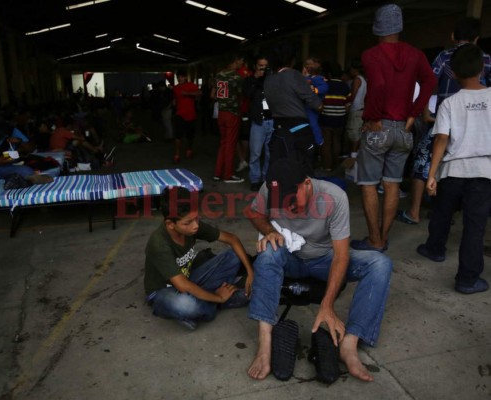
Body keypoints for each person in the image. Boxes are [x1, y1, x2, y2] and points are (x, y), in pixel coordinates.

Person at [246, 157, 393, 382]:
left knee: (380, 263)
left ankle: (350, 344)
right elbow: (254, 213)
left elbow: (342, 255)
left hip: (325, 258)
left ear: (306, 183)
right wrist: (269, 230)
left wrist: (327, 305)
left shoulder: (334, 197)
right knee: (267, 251)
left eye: (293, 203)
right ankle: (265, 343)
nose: (289, 210)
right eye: (283, 206)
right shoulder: (271, 188)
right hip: (290, 257)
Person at [350, 4, 436, 252]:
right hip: (404, 130)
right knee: (392, 184)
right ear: (399, 27)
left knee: (368, 184)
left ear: (377, 28)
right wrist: (413, 112)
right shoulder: (415, 55)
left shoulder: (371, 55)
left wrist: (374, 116)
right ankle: (383, 238)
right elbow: (430, 80)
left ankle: (374, 240)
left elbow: (377, 84)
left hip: (380, 126)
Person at [397, 16, 491, 225]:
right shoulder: (485, 59)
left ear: (452, 36)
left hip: (443, 121)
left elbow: (428, 83)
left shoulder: (444, 56)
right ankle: (455, 212)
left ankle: (414, 212)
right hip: (476, 128)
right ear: (477, 37)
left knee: (423, 162)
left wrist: (424, 112)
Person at [416, 44, 491, 294]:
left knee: (442, 213)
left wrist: (431, 175)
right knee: (475, 226)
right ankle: (467, 279)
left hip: (452, 171)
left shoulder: (449, 103)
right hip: (483, 172)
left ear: (453, 74)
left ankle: (435, 249)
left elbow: (441, 140)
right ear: (482, 68)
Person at [144, 186, 254, 330]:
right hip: (162, 292)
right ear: (170, 224)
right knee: (186, 305)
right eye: (188, 222)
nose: (195, 226)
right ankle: (217, 302)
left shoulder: (191, 225)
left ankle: (199, 307)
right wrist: (219, 298)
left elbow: (231, 239)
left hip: (188, 280)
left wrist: (250, 272)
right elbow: (182, 286)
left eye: (196, 218)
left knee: (233, 256)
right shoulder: (158, 243)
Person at [0, 111, 53, 219]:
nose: (1, 134)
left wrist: (19, 141)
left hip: (12, 166)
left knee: (27, 172)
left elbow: (31, 148)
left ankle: (31, 200)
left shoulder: (11, 130)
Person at [263, 41, 323, 175]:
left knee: (281, 172)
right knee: (303, 172)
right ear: (292, 59)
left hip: (278, 130)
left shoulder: (268, 80)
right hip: (299, 131)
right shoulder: (294, 75)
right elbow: (317, 105)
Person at [212, 54, 245, 183]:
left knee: (223, 143)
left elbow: (213, 94)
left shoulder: (219, 75)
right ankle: (228, 175)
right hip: (232, 113)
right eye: (240, 61)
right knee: (230, 145)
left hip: (221, 113)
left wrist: (223, 101)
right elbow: (241, 94)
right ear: (235, 61)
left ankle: (217, 173)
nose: (241, 63)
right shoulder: (236, 76)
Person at [243, 55, 274, 192]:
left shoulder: (272, 79)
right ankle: (255, 179)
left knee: (270, 153)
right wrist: (256, 78)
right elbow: (247, 94)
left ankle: (266, 178)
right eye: (260, 65)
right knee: (255, 153)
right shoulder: (249, 80)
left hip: (272, 120)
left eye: (264, 65)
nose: (262, 68)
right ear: (256, 66)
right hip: (258, 121)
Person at [318, 62, 351, 172]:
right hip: (340, 118)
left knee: (326, 143)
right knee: (336, 141)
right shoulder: (345, 86)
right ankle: (335, 165)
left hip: (326, 118)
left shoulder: (325, 85)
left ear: (329, 74)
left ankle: (327, 167)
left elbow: (319, 103)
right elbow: (348, 104)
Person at [172, 70, 201, 163]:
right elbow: (175, 98)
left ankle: (189, 149)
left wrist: (188, 94)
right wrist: (174, 102)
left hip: (191, 115)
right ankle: (177, 154)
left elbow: (200, 93)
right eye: (178, 77)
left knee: (190, 136)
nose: (180, 79)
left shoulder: (191, 85)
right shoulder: (175, 88)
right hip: (179, 114)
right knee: (178, 135)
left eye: (181, 77)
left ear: (185, 77)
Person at [303, 56, 328, 147]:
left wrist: (315, 90)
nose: (307, 66)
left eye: (310, 64)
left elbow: (324, 87)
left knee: (313, 123)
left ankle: (319, 140)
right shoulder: (307, 77)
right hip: (306, 105)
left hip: (313, 105)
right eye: (306, 64)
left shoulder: (319, 78)